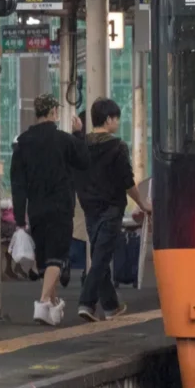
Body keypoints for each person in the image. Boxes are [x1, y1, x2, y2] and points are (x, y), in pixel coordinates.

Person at [10, 94, 89, 325]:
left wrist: (19, 217)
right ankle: (43, 302)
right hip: (60, 206)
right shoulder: (64, 140)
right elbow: (84, 161)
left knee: (46, 259)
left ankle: (53, 307)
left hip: (36, 209)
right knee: (57, 256)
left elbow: (17, 183)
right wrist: (78, 134)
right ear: (54, 112)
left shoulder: (23, 142)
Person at [75, 98, 152, 322]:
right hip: (110, 208)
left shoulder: (82, 146)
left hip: (89, 207)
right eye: (116, 118)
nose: (117, 123)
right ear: (109, 119)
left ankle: (110, 306)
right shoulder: (117, 147)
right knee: (100, 258)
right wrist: (142, 203)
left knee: (99, 255)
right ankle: (86, 303)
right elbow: (127, 181)